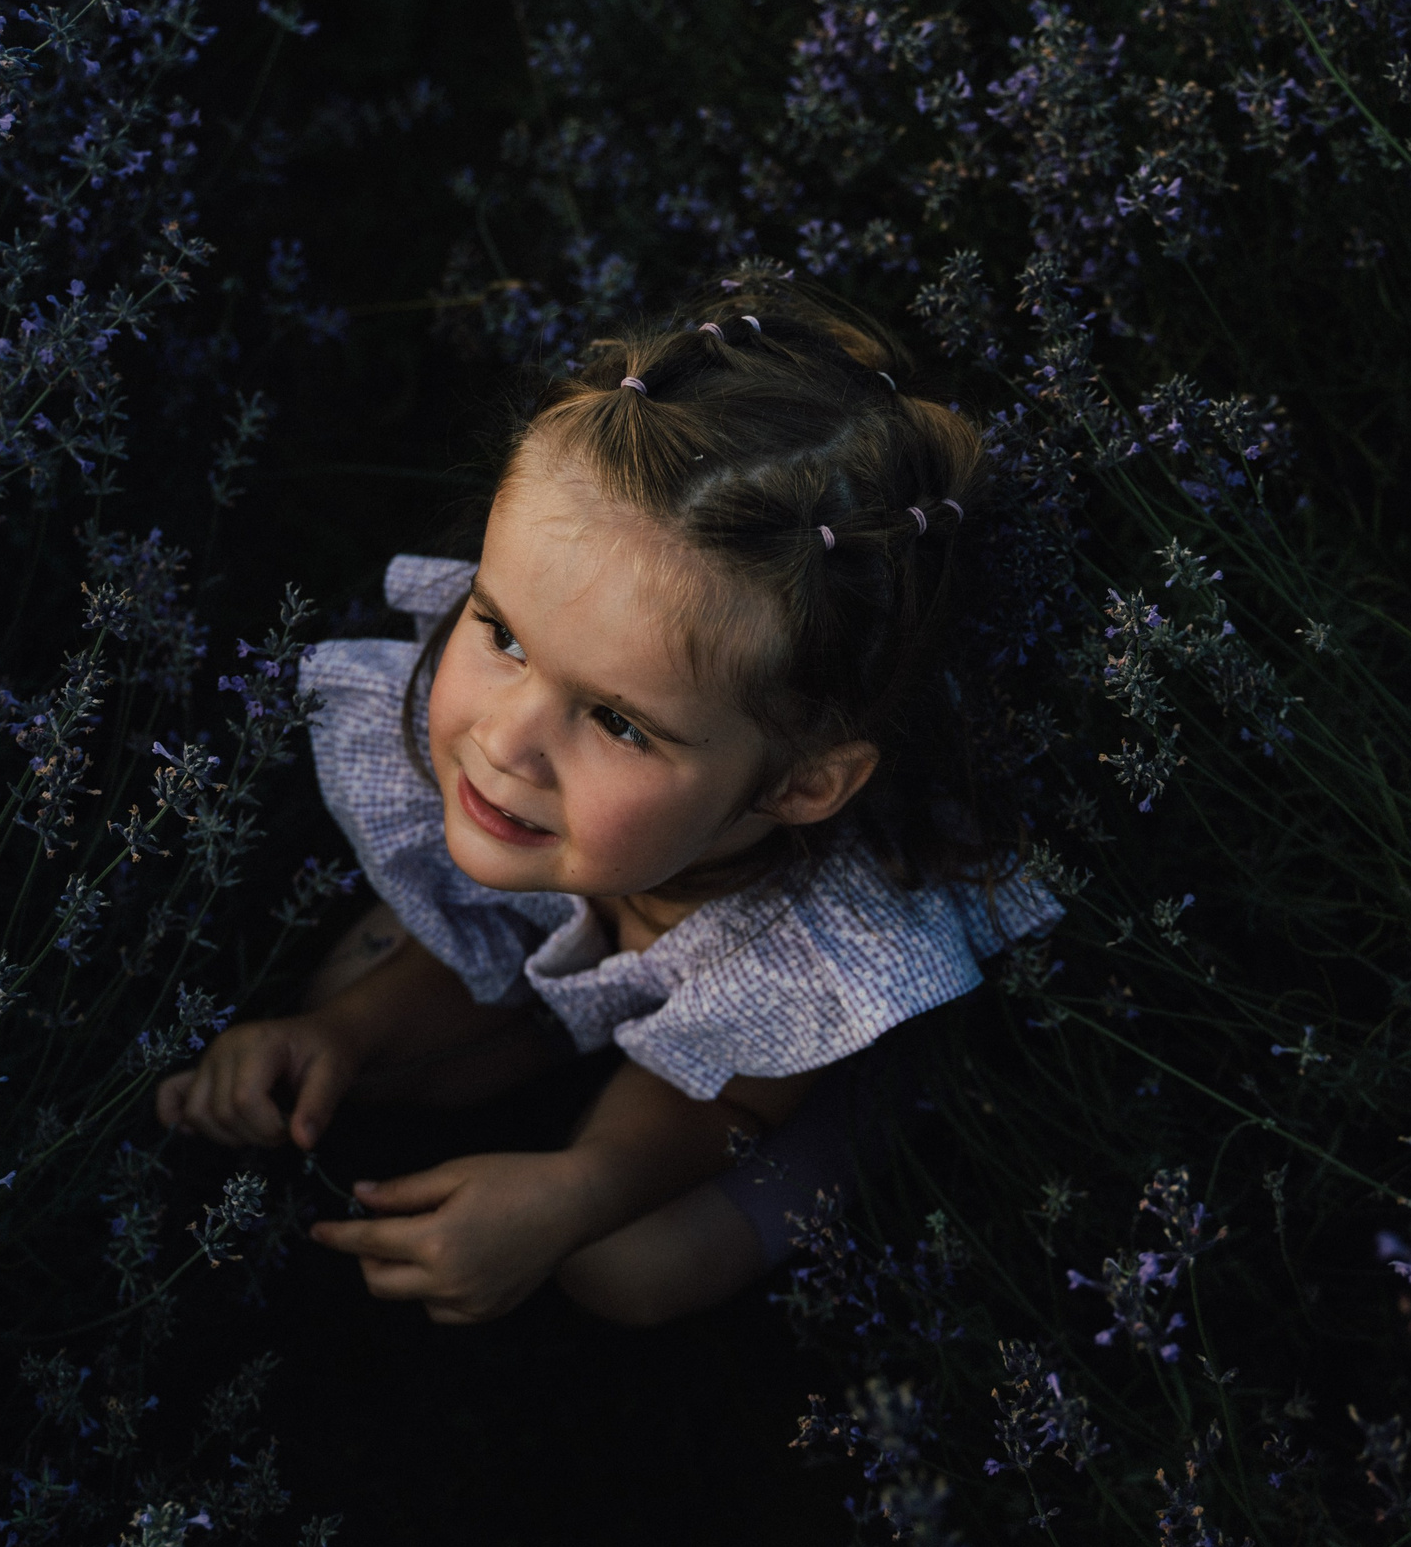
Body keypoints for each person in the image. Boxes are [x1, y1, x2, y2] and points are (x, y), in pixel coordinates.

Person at [155, 281, 1059, 1326]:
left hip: (773, 1075)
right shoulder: (573, 798)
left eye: (619, 723)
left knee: (625, 1271)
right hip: (631, 906)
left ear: (799, 784)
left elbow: (720, 1096)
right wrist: (344, 1034)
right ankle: (543, 1020)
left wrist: (571, 1191)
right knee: (361, 1028)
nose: (506, 743)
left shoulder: (804, 942)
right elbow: (494, 918)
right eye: (501, 635)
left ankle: (878, 1104)